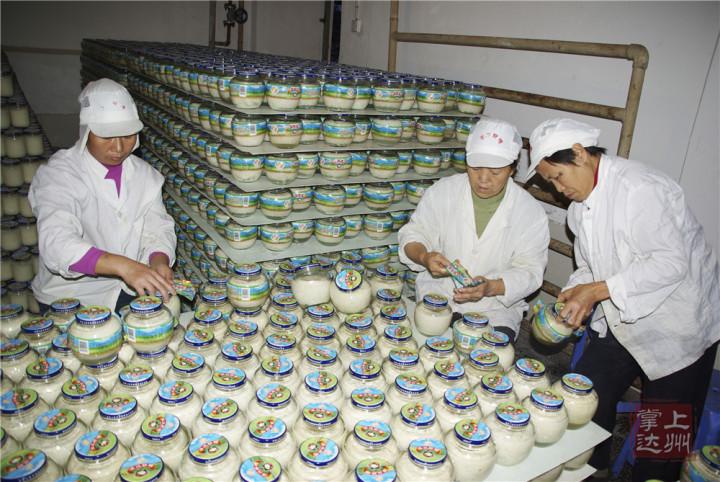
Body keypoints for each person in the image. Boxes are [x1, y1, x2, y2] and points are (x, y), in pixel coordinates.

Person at [528, 117, 720, 481]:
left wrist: (597, 290)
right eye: (551, 182)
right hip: (621, 315)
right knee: (584, 396)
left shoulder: (640, 189)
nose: (558, 189)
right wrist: (575, 292)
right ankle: (590, 468)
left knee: (662, 430)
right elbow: (590, 266)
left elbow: (670, 263)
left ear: (580, 154)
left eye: (558, 177)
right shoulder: (580, 208)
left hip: (677, 325)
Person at [29, 78, 176, 313]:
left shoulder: (145, 175)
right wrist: (124, 266)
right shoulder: (59, 174)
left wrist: (158, 261)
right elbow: (57, 242)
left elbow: (157, 228)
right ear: (86, 131)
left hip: (127, 290)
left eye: (127, 135)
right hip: (71, 298)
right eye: (107, 137)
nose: (118, 148)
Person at [399, 117, 550, 339]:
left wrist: (491, 287)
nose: (483, 180)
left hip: (495, 310)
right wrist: (424, 257)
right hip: (439, 298)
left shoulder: (529, 212)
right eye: (476, 168)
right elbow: (414, 233)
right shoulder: (444, 191)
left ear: (512, 169)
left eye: (495, 172)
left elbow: (531, 272)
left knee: (489, 356)